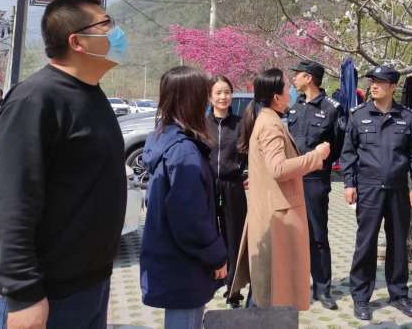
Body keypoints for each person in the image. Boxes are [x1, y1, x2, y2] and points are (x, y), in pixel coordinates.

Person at [0, 0, 128, 329]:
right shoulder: (37, 99)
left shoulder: (92, 95)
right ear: (77, 41)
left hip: (88, 286)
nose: (117, 33)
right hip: (45, 295)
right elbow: (11, 201)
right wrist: (23, 293)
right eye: (107, 24)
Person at [230, 68, 331, 311]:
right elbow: (278, 169)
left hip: (273, 210)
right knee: (268, 289)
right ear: (277, 96)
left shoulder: (268, 119)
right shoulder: (270, 125)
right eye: (287, 88)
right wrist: (316, 156)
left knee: (266, 285)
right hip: (277, 217)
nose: (291, 91)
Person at [140, 66, 227, 328]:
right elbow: (190, 220)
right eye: (204, 95)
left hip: (173, 257)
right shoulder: (183, 153)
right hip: (185, 264)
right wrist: (216, 255)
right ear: (191, 99)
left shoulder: (164, 137)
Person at [341, 65, 412, 322]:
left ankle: (398, 294)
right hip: (368, 189)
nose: (373, 86)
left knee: (398, 244)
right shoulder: (358, 115)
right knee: (365, 244)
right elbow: (348, 153)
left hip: (398, 190)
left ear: (393, 87)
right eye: (372, 81)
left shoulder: (406, 117)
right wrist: (349, 184)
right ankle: (361, 298)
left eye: (379, 82)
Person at [287, 61, 344, 310]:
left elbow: (339, 146)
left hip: (314, 181)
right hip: (292, 178)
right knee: (291, 234)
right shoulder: (294, 106)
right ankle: (294, 286)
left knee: (317, 235)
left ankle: (322, 288)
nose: (293, 79)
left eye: (297, 75)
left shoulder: (332, 109)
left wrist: (321, 163)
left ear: (309, 78)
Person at [205, 75, 247, 308]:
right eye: (218, 92)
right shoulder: (202, 124)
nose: (223, 97)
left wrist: (246, 173)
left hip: (233, 187)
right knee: (210, 233)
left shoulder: (240, 124)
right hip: (208, 186)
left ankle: (234, 290)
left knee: (234, 237)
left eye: (227, 92)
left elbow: (251, 153)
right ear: (210, 97)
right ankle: (209, 282)